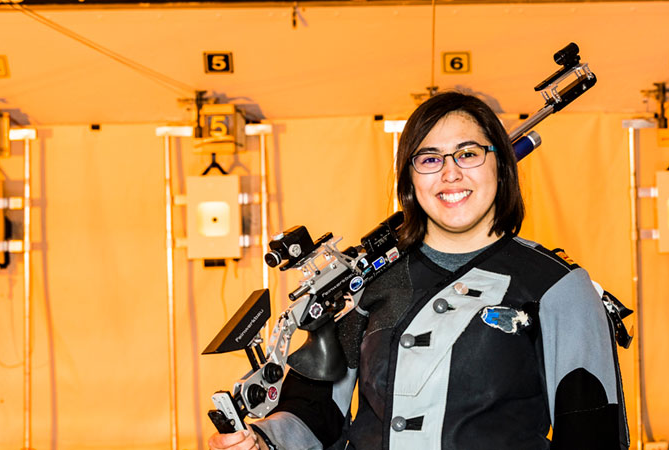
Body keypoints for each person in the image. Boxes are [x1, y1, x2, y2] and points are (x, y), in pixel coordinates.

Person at [210, 92, 628, 450]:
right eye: (429, 158)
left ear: (500, 166)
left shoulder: (559, 287)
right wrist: (261, 440)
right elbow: (315, 409)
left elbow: (594, 433)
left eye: (468, 153)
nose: (450, 172)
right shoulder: (364, 282)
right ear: (409, 179)